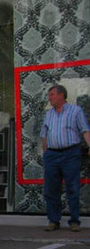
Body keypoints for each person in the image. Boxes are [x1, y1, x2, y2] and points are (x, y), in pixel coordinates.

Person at [40, 84, 90, 232]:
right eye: (49, 95)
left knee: (72, 187)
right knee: (51, 189)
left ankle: (74, 221)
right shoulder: (49, 114)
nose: (50, 98)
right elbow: (44, 134)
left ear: (61, 95)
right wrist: (46, 152)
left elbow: (85, 130)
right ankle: (53, 220)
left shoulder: (75, 111)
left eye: (52, 95)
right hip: (52, 154)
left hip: (70, 153)